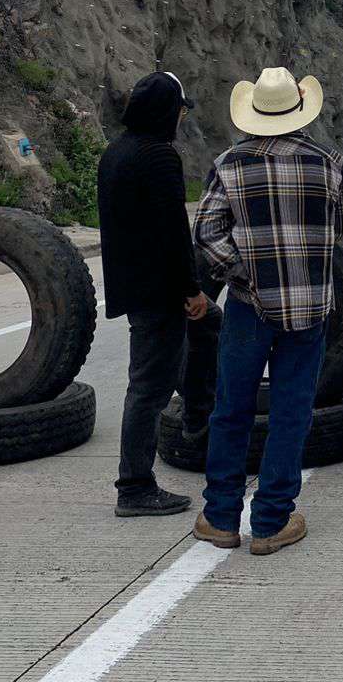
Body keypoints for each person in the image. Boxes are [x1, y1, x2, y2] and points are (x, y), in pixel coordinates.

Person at [191, 66, 343, 556]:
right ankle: (270, 522)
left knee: (232, 410)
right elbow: (342, 223)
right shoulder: (329, 163)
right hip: (309, 309)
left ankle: (220, 518)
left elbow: (207, 232)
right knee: (291, 413)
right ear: (300, 112)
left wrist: (242, 273)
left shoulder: (229, 163)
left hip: (249, 307)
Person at [97, 71, 213, 518]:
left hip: (134, 287)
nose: (182, 118)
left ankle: (199, 421)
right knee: (147, 390)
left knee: (206, 335)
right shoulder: (159, 156)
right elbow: (172, 231)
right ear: (168, 111)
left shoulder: (116, 151)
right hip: (161, 291)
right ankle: (135, 486)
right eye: (181, 110)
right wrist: (191, 289)